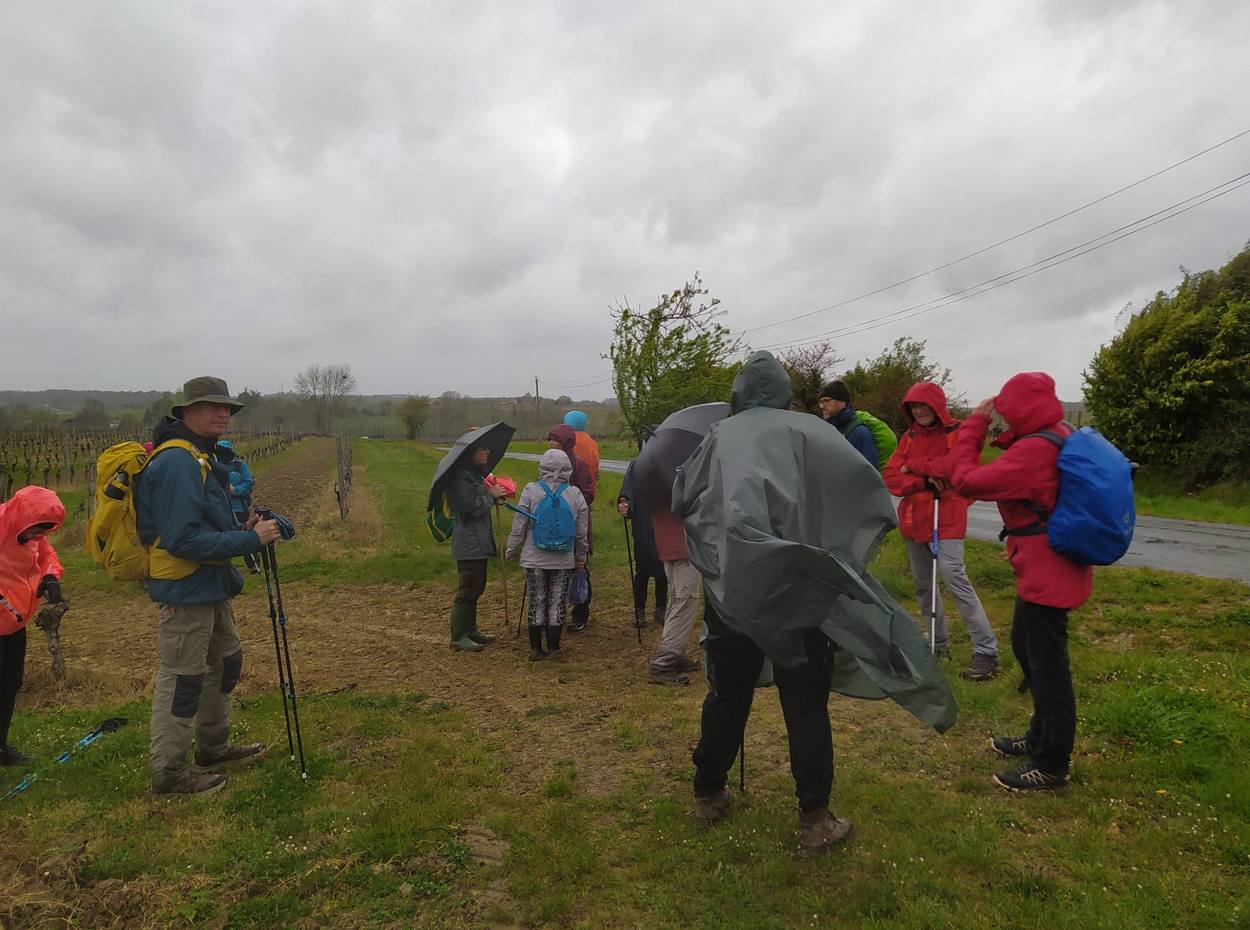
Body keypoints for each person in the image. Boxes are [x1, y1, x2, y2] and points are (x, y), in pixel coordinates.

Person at [674, 352, 955, 853]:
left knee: (727, 693)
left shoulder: (719, 436)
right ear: (784, 392)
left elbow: (682, 496)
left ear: (739, 392)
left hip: (733, 590)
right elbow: (865, 485)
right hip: (801, 591)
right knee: (805, 702)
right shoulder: (814, 431)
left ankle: (708, 793)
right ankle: (815, 819)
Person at [945, 372, 1093, 792]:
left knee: (1049, 669)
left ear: (1021, 408)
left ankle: (1051, 765)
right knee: (1026, 647)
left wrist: (975, 424)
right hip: (1047, 566)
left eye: (1008, 411)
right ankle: (1039, 735)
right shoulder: (1055, 433)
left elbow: (965, 480)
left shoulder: (1035, 450)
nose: (1005, 417)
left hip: (1049, 572)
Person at [135, 377, 280, 796]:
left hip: (211, 583)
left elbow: (205, 526)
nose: (223, 413)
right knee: (183, 680)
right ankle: (170, 775)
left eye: (227, 408)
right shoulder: (178, 462)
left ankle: (213, 749)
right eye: (212, 406)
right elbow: (182, 540)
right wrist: (251, 541)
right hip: (185, 588)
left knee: (226, 662)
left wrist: (244, 527)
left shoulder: (202, 455)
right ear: (186, 413)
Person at [883, 381, 999, 681]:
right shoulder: (909, 436)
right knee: (924, 585)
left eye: (923, 405)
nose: (919, 411)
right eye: (914, 407)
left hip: (946, 516)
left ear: (937, 406)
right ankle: (937, 643)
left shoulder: (957, 432)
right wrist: (923, 480)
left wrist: (914, 465)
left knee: (955, 578)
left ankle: (985, 650)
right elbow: (892, 477)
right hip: (915, 519)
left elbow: (955, 468)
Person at [0, 487, 66, 767]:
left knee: (9, 685)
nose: (38, 537)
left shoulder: (33, 536)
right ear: (22, 517)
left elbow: (47, 555)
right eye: (36, 530)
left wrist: (50, 576)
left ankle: (0, 746)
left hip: (14, 624)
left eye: (44, 532)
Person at [505, 449, 589, 660]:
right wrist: (581, 556)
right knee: (558, 602)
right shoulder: (575, 494)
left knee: (537, 600)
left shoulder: (531, 490)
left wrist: (511, 549)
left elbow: (519, 526)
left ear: (541, 467)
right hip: (563, 559)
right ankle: (555, 648)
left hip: (534, 558)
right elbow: (581, 532)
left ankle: (535, 649)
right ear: (568, 469)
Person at [447, 442, 509, 652]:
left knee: (477, 586)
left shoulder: (473, 475)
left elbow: (477, 498)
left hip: (478, 540)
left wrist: (491, 495)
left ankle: (471, 629)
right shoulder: (460, 477)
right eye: (483, 449)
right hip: (469, 542)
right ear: (471, 453)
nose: (488, 451)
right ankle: (458, 636)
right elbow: (468, 507)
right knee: (468, 588)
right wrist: (490, 496)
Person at [547, 425, 596, 630]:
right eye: (550, 439)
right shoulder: (548, 464)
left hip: (576, 524)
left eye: (555, 440)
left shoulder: (579, 464)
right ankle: (554, 612)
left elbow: (589, 493)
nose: (551, 443)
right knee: (555, 569)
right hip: (554, 525)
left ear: (566, 443)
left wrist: (568, 499)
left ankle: (580, 614)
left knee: (579, 568)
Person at [616, 460, 667, 628]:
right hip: (643, 526)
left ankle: (661, 608)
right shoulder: (637, 466)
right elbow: (627, 492)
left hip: (664, 525)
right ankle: (639, 610)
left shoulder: (668, 462)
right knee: (642, 571)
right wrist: (626, 504)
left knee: (664, 571)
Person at [817, 381, 876, 467]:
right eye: (821, 402)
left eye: (827, 401)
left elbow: (869, 471)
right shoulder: (828, 429)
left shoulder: (859, 433)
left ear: (842, 403)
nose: (821, 406)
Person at [563, 410, 601, 495]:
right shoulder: (592, 442)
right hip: (588, 487)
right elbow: (595, 464)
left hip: (569, 487)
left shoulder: (567, 440)